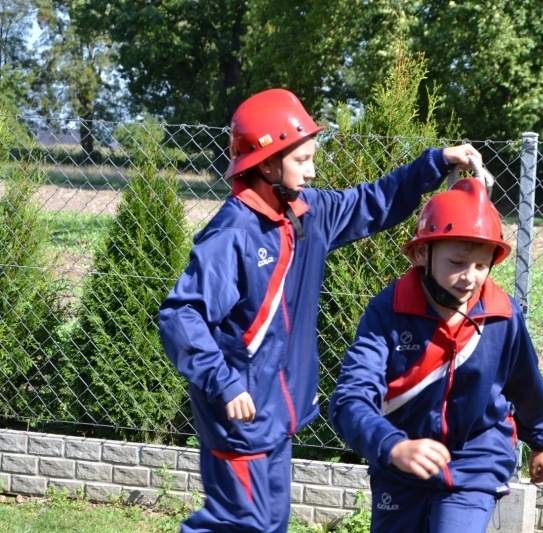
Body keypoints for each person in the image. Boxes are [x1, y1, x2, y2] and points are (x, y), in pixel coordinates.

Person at [158, 88, 483, 533]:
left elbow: (375, 201)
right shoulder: (233, 233)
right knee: (241, 524)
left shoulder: (309, 213)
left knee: (265, 525)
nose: (312, 170)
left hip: (274, 415)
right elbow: (181, 315)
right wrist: (225, 383)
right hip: (241, 415)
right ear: (267, 162)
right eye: (302, 160)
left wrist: (436, 162)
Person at [328, 177, 543, 533]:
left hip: (475, 464)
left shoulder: (503, 315)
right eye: (456, 262)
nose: (469, 278)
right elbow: (350, 398)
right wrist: (392, 446)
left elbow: (526, 384)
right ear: (422, 253)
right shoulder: (387, 312)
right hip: (401, 465)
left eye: (482, 266)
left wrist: (542, 441)